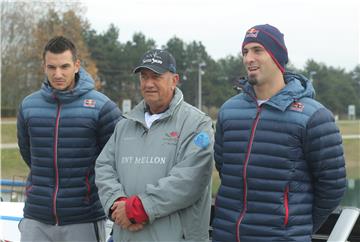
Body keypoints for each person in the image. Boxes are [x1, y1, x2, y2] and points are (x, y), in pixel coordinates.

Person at [212, 24, 347, 242]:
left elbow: (332, 186)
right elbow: (225, 169)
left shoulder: (314, 116)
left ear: (277, 57)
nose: (248, 59)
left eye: (257, 50)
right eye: (245, 52)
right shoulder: (229, 111)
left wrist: (295, 227)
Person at [95, 49, 214, 241]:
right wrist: (117, 203)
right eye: (144, 77)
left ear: (174, 80)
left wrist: (138, 209)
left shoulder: (197, 124)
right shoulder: (125, 124)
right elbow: (103, 167)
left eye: (156, 76)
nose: (149, 83)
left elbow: (190, 179)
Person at [17, 36, 121, 242]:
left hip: (83, 218)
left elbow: (114, 161)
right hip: (36, 217)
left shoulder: (103, 107)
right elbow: (29, 154)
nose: (58, 74)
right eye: (51, 67)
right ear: (44, 67)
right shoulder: (28, 106)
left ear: (76, 65)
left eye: (64, 66)